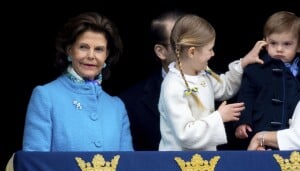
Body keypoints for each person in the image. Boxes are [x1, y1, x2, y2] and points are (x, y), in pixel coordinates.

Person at [22, 12, 133, 151]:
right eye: (83, 47)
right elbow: (35, 164)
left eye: (99, 49)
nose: (91, 56)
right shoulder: (45, 96)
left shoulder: (116, 107)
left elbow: (127, 166)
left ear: (107, 55)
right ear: (69, 51)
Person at [158, 14, 266, 151]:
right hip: (178, 164)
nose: (213, 54)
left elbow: (225, 88)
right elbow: (185, 135)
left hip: (205, 161)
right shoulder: (173, 86)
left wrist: (244, 63)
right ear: (192, 52)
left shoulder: (203, 72)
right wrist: (219, 117)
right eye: (210, 49)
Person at [234, 11, 300, 149]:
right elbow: (246, 96)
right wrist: (242, 121)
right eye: (273, 43)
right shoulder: (256, 68)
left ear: (298, 46)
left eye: (287, 44)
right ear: (264, 42)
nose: (279, 49)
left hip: (292, 138)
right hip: (261, 132)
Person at [120, 10, 184, 150]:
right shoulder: (131, 102)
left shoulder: (226, 89)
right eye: (181, 45)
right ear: (161, 51)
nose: (193, 49)